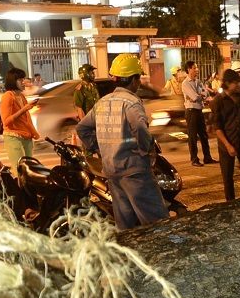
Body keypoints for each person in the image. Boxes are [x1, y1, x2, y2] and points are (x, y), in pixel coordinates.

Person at [75, 53, 167, 231]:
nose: (139, 82)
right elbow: (140, 128)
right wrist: (146, 150)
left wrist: (98, 148)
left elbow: (82, 128)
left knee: (125, 226)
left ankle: (127, 257)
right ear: (133, 80)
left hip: (112, 171)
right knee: (158, 224)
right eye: (138, 77)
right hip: (135, 171)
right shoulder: (131, 102)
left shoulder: (102, 102)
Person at [211, 68, 240, 201]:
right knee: (228, 177)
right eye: (235, 83)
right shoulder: (218, 101)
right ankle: (230, 204)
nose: (238, 85)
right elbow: (217, 127)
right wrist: (228, 145)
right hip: (227, 143)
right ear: (227, 83)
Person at [0, 67, 40, 172]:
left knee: (29, 169)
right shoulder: (7, 96)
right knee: (19, 169)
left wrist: (33, 133)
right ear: (13, 81)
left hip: (26, 136)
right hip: (13, 136)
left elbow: (27, 119)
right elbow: (6, 121)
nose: (24, 83)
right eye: (20, 80)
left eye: (24, 79)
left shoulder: (21, 96)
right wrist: (24, 109)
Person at [181, 60, 215, 167]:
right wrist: (199, 96)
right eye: (195, 68)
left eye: (197, 68)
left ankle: (207, 157)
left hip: (199, 111)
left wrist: (198, 96)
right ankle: (194, 159)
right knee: (193, 137)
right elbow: (195, 96)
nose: (197, 70)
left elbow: (206, 93)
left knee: (204, 135)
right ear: (189, 69)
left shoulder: (199, 82)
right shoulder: (185, 84)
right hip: (191, 112)